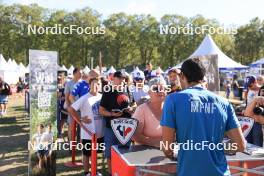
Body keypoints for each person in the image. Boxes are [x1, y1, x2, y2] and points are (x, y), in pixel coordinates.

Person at [161, 58, 246, 176]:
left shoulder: (172, 100)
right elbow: (240, 145)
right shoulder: (224, 102)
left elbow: (167, 147)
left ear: (182, 76)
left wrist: (173, 153)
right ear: (203, 77)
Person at [68, 77, 104, 176]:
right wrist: (79, 119)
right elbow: (71, 109)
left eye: (98, 84)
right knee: (86, 154)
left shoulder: (102, 97)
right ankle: (86, 172)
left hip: (100, 133)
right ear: (89, 86)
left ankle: (94, 171)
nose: (96, 86)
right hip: (88, 132)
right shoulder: (84, 98)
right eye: (93, 84)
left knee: (95, 153)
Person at [99, 71, 133, 174]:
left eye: (123, 78)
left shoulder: (127, 89)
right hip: (111, 127)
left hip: (127, 127)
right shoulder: (108, 91)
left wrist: (131, 108)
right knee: (110, 153)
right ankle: (111, 173)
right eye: (119, 78)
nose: (121, 80)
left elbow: (134, 104)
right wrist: (111, 114)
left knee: (125, 153)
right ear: (113, 78)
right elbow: (101, 110)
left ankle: (123, 173)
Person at [133, 77, 167, 147]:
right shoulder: (141, 109)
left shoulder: (170, 109)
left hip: (166, 152)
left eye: (163, 88)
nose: (161, 91)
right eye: (156, 89)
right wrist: (156, 143)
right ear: (149, 92)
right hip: (143, 153)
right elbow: (135, 135)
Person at [244, 75, 263, 147]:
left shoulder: (261, 90)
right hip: (248, 119)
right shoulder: (248, 90)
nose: (248, 87)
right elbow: (247, 102)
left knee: (257, 143)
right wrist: (245, 108)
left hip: (257, 120)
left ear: (255, 82)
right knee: (248, 142)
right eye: (247, 85)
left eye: (250, 85)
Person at [64, 68, 82, 141]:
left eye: (81, 73)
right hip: (72, 109)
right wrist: (68, 107)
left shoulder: (83, 83)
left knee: (82, 128)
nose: (81, 74)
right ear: (74, 74)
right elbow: (66, 97)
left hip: (82, 109)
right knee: (71, 127)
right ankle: (71, 145)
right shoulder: (69, 83)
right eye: (79, 73)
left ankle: (81, 146)